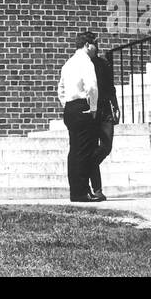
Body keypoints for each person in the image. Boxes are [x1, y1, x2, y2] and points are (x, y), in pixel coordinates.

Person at [56, 30, 99, 203]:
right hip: (83, 106)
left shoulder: (68, 64)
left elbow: (61, 89)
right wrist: (93, 107)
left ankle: (77, 191)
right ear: (87, 45)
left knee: (74, 151)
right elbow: (92, 87)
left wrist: (67, 105)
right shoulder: (86, 62)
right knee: (85, 151)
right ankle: (82, 192)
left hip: (70, 108)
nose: (96, 49)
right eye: (95, 45)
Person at [86, 37, 118, 202]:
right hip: (89, 111)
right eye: (93, 44)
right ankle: (97, 190)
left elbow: (111, 87)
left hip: (105, 109)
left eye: (97, 44)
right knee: (91, 147)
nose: (96, 47)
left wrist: (116, 107)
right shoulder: (82, 65)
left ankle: (88, 164)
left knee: (106, 146)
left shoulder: (104, 64)